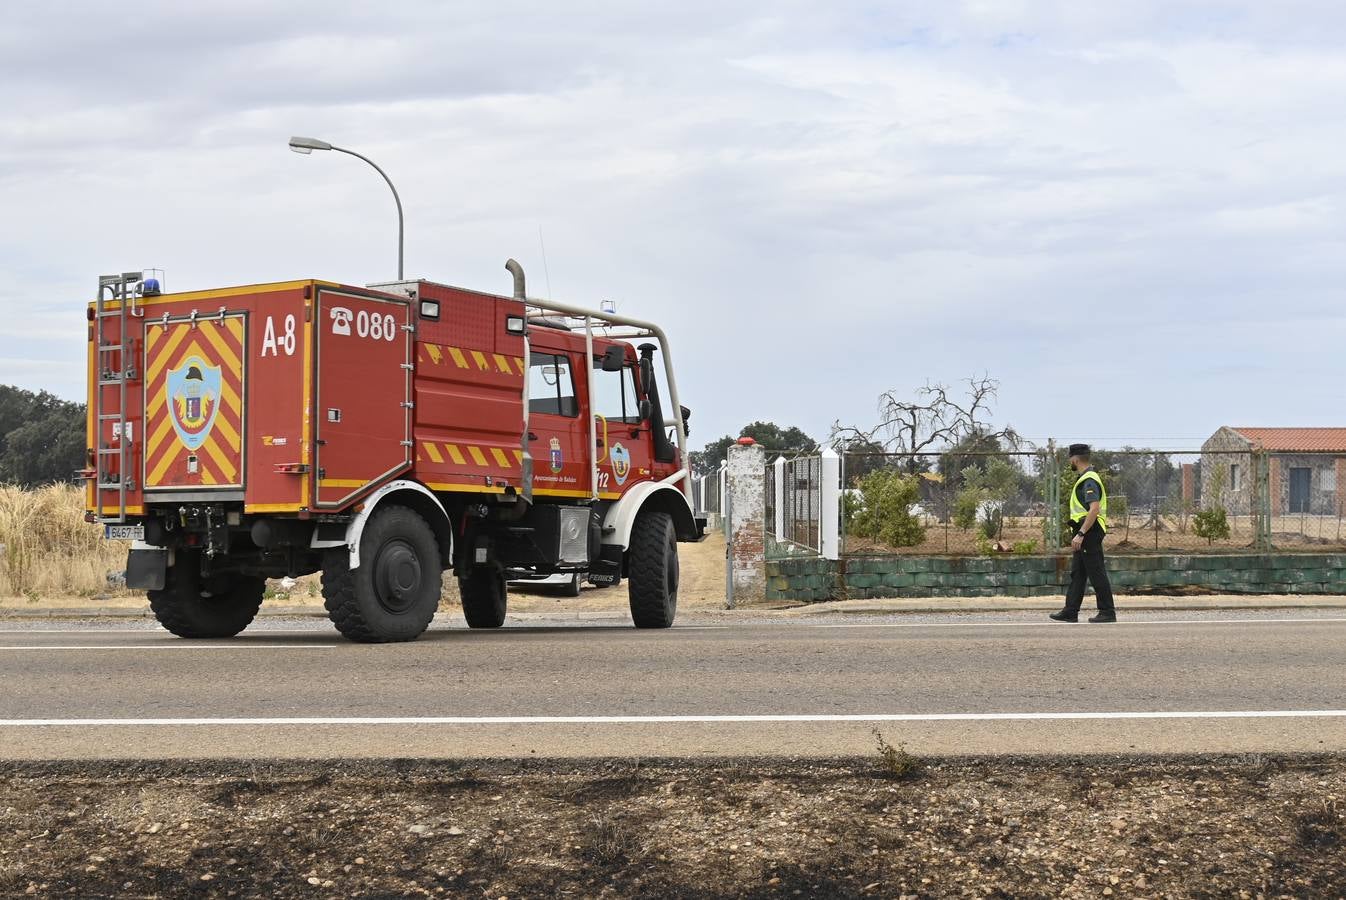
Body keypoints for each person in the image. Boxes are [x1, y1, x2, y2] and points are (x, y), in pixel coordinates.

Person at [1050, 444, 1117, 623]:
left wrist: (1080, 533)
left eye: (1069, 458)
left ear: (1075, 459)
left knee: (1096, 572)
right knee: (1078, 573)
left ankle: (1107, 612)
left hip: (1089, 531)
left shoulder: (1089, 480)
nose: (1069, 461)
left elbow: (1094, 509)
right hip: (1085, 531)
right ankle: (1070, 611)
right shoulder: (1086, 478)